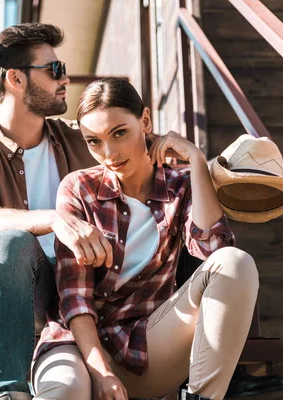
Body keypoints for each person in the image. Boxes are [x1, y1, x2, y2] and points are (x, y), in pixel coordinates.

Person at [31, 77, 261, 400]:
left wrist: (196, 160)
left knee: (237, 263)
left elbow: (216, 250)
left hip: (143, 347)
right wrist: (102, 374)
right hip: (77, 348)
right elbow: (75, 299)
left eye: (119, 133)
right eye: (93, 141)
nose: (108, 152)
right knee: (67, 391)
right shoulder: (78, 188)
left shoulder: (180, 186)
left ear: (146, 121)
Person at [0, 23, 103, 400]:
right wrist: (54, 218)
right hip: (30, 294)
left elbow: (137, 156)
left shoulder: (76, 138)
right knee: (11, 242)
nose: (65, 77)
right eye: (54, 70)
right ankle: (5, 393)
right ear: (16, 79)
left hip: (88, 287)